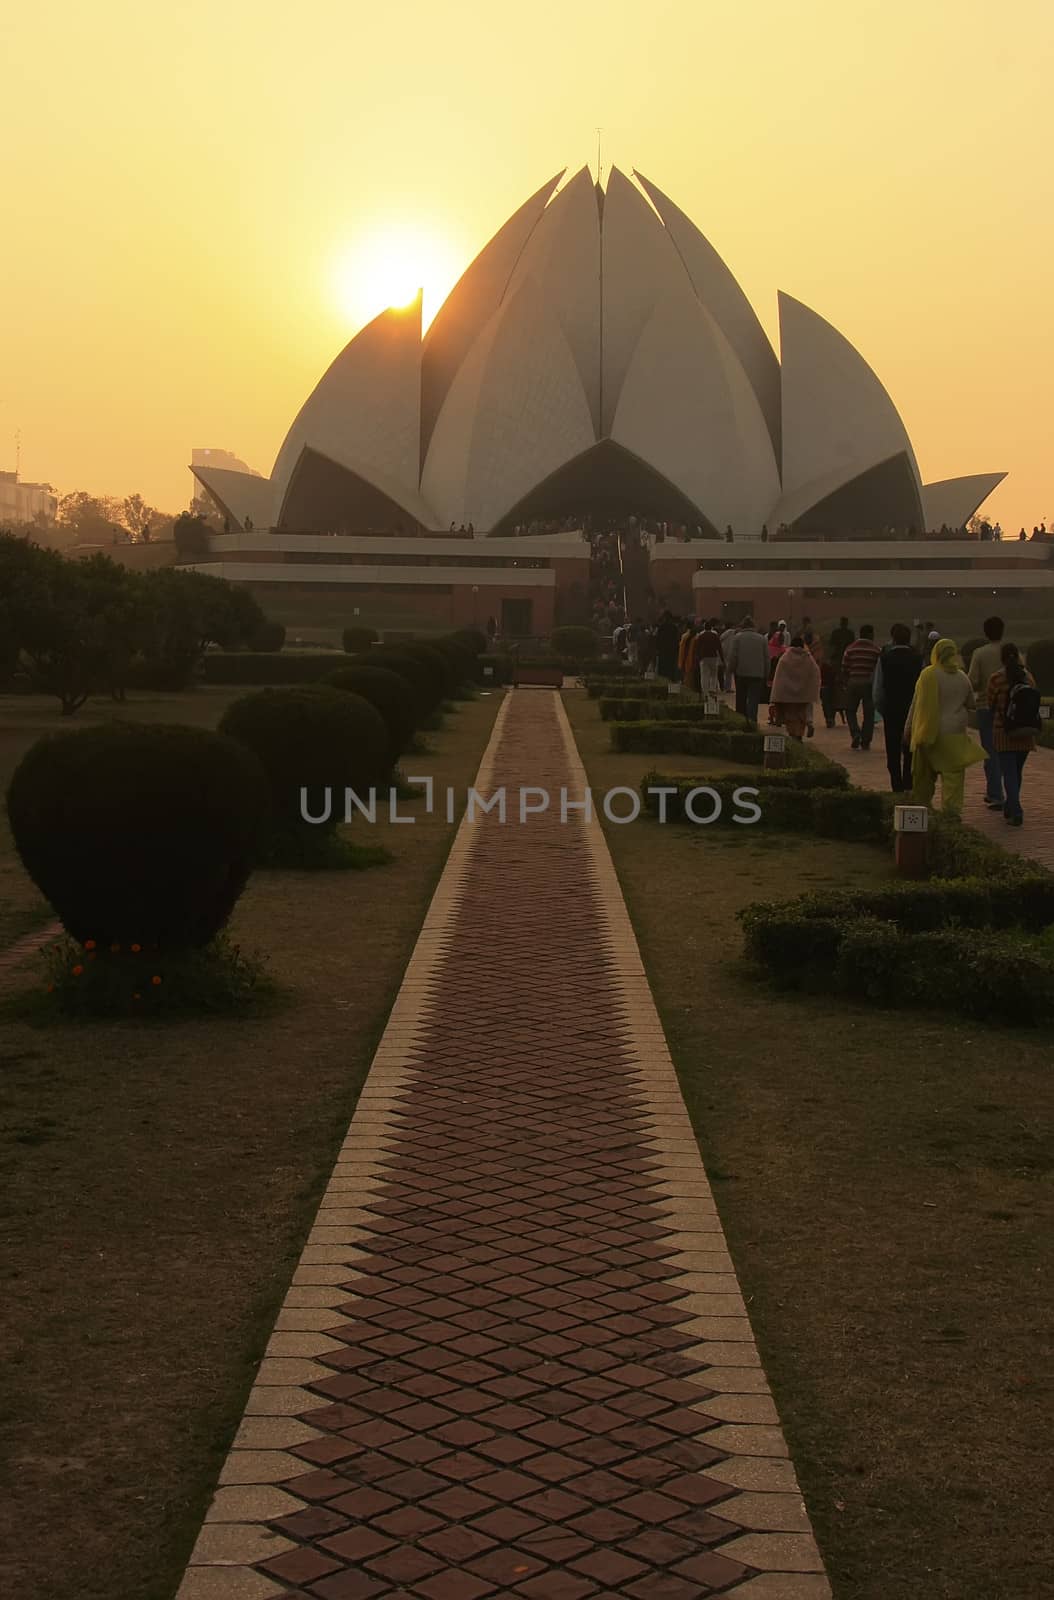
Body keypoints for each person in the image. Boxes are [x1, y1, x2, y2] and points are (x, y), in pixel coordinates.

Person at [905, 638, 984, 815]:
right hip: (954, 735)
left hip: (928, 733)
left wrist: (908, 728)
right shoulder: (962, 677)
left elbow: (916, 704)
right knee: (953, 781)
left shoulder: (928, 674)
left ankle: (922, 813)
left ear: (936, 653)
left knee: (923, 780)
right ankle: (951, 818)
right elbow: (971, 704)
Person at [987, 642, 1041, 826]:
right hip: (1026, 732)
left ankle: (1016, 810)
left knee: (1008, 773)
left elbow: (990, 703)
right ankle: (1010, 806)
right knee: (1016, 772)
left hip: (1004, 732)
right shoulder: (1028, 677)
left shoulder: (996, 678)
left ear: (1002, 658)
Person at [872, 623, 922, 791]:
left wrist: (881, 708)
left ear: (892, 638)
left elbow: (878, 688)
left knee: (892, 750)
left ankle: (896, 784)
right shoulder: (917, 658)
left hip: (891, 709)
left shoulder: (885, 658)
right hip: (912, 710)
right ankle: (909, 782)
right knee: (910, 750)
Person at [968, 616, 1007, 809]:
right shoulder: (1011, 652)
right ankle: (1008, 793)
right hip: (1008, 707)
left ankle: (995, 793)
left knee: (990, 750)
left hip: (986, 706)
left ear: (985, 632)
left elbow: (972, 681)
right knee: (1007, 750)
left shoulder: (980, 653)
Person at [770, 636, 821, 740]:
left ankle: (794, 735)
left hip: (788, 696)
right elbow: (815, 673)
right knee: (801, 716)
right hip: (803, 694)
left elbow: (779, 677)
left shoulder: (785, 658)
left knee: (791, 717)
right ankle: (800, 734)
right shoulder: (808, 658)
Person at [841, 624, 882, 750]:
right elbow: (879, 670)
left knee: (850, 710)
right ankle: (865, 740)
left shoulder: (850, 648)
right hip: (869, 685)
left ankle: (855, 733)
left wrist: (846, 682)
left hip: (853, 682)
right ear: (870, 635)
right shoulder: (876, 650)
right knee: (869, 713)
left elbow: (844, 667)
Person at [725, 617, 768, 724]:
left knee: (741, 699)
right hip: (757, 674)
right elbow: (767, 658)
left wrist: (730, 670)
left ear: (742, 626)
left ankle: (741, 721)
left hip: (741, 673)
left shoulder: (737, 638)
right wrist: (766, 674)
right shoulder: (762, 638)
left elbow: (733, 657)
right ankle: (752, 722)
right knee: (753, 700)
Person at [692, 618, 723, 694]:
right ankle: (712, 689)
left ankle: (705, 691)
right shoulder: (715, 635)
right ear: (711, 627)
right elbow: (719, 647)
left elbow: (697, 648)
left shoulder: (701, 636)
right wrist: (722, 659)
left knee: (704, 675)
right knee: (714, 674)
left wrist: (697, 658)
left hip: (703, 658)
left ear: (704, 627)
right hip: (713, 657)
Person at [655, 610, 680, 681]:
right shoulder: (674, 628)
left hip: (663, 653)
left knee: (663, 672)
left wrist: (657, 650)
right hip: (672, 653)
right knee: (671, 672)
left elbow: (658, 641)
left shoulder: (661, 628)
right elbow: (676, 640)